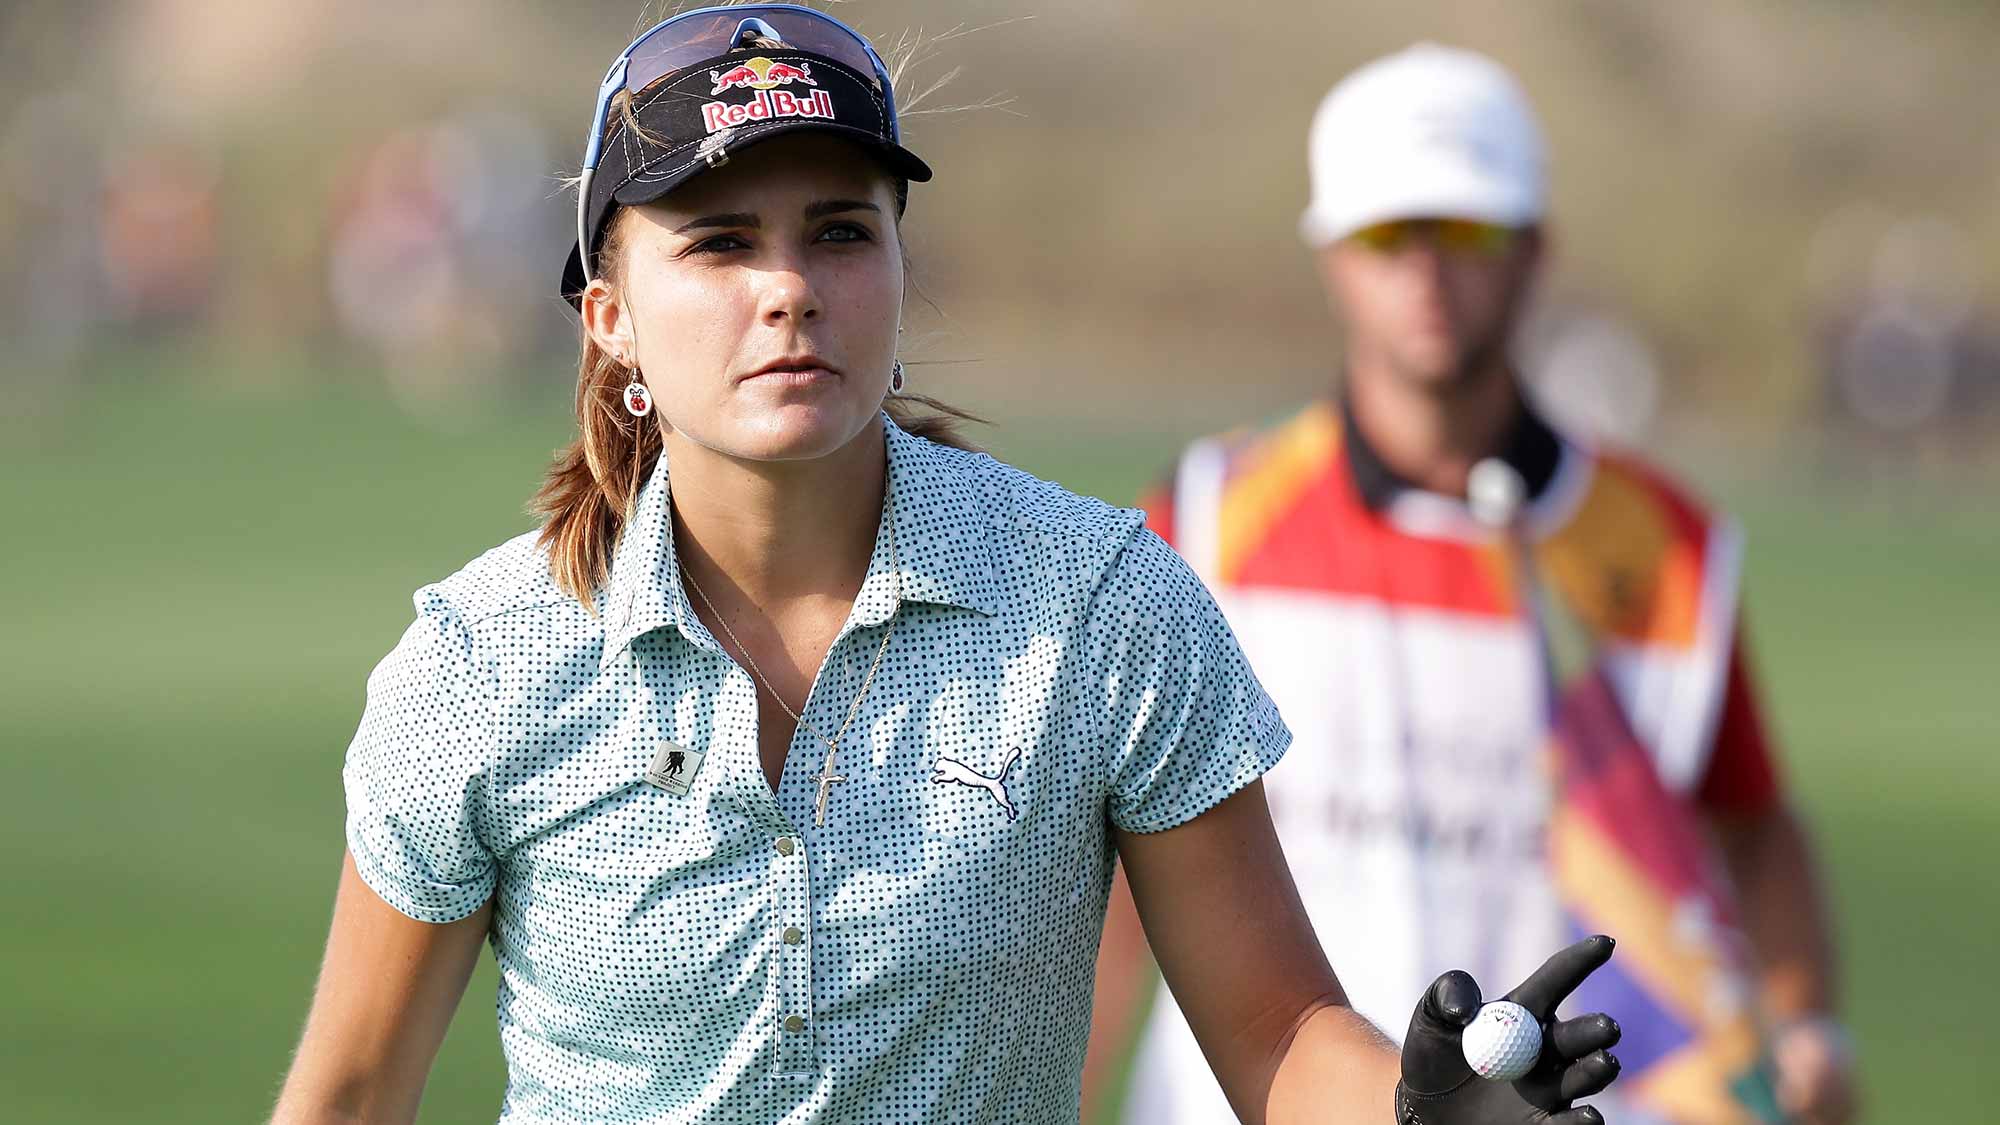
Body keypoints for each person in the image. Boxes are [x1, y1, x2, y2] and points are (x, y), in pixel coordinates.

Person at [270, 10, 1624, 1124]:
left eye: (840, 232)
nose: (788, 288)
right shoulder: (481, 663)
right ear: (612, 318)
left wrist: (1416, 1107)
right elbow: (349, 1092)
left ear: (903, 274)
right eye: (722, 243)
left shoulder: (1099, 600)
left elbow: (1275, 1034)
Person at [1087, 43, 1854, 1125]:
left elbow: (1753, 823)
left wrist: (1805, 1027)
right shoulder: (1205, 517)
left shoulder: (1663, 546)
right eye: (1387, 236)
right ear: (1329, 255)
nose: (1425, 274)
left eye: (1466, 233)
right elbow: (1118, 862)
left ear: (1534, 249)